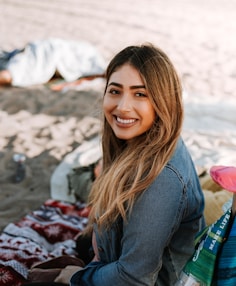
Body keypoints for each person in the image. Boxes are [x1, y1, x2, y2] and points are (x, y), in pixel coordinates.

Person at [69, 43, 205, 286]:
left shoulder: (162, 179)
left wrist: (76, 277)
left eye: (140, 94)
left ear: (163, 102)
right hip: (121, 261)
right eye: (115, 91)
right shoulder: (136, 140)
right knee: (81, 242)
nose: (122, 107)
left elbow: (133, 278)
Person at [0, 38, 106, 87]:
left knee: (14, 63)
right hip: (50, 54)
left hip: (45, 46)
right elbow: (87, 79)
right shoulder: (98, 66)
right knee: (13, 75)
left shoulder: (92, 52)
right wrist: (65, 85)